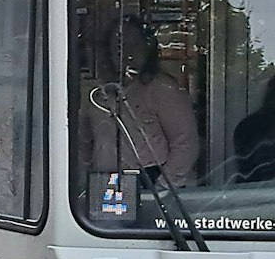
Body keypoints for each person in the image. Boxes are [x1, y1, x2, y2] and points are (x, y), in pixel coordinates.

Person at [78, 15, 199, 185]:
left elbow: (185, 143)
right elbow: (84, 144)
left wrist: (163, 185)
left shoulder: (162, 88)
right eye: (119, 46)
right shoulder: (97, 94)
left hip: (149, 179)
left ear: (147, 48)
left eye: (134, 44)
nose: (127, 53)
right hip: (104, 181)